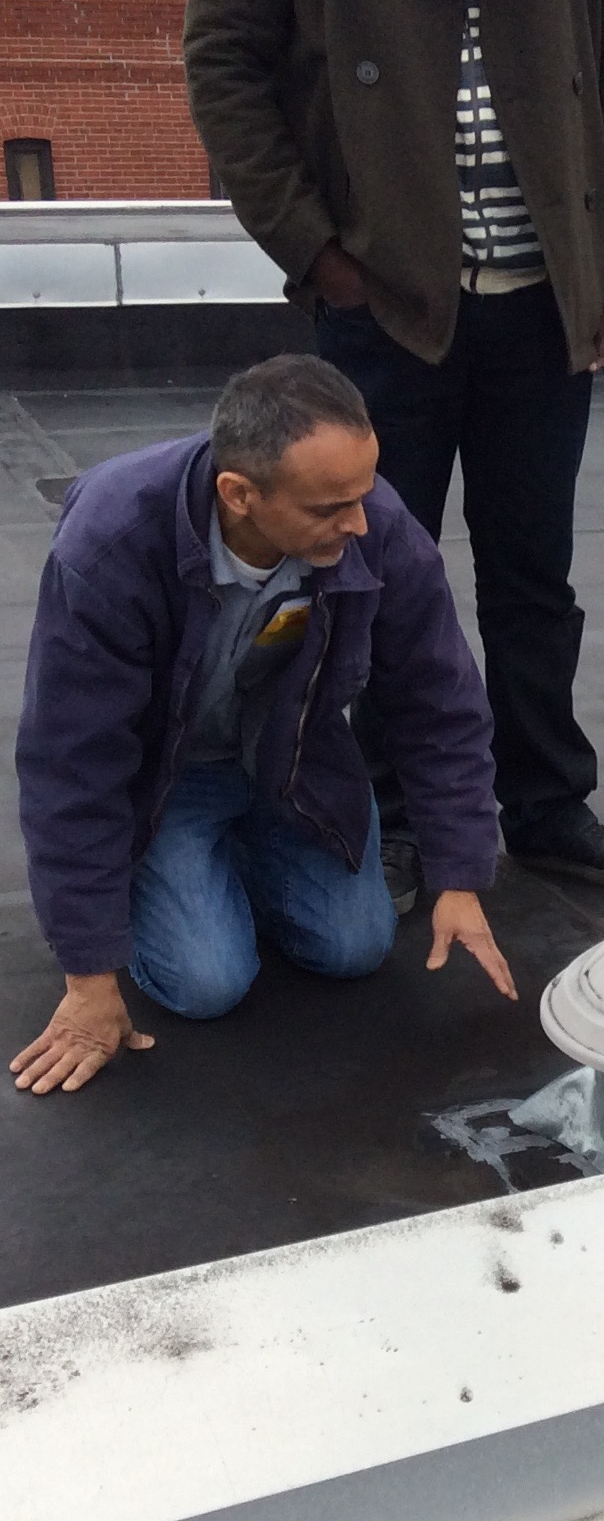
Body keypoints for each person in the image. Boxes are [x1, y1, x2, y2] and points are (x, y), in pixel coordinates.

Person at [183, 0, 604, 904]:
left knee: (534, 575)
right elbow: (222, 62)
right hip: (387, 297)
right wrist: (314, 247)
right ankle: (389, 817)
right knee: (365, 572)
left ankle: (547, 803)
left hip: (545, 299)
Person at [10, 356, 516, 1097]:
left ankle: (227, 864)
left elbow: (441, 702)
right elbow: (71, 766)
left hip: (293, 761)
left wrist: (459, 874)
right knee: (207, 983)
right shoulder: (112, 544)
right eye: (328, 508)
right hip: (167, 779)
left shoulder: (375, 526)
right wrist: (90, 976)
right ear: (239, 494)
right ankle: (180, 866)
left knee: (356, 947)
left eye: (364, 491)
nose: (359, 521)